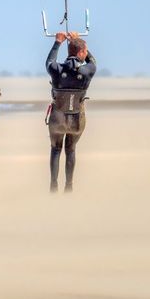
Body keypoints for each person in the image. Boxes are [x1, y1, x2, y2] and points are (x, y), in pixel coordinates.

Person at [46, 31, 96, 193]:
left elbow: (49, 61)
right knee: (71, 149)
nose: (86, 53)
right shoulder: (87, 71)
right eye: (85, 50)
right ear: (81, 52)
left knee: (56, 149)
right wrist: (75, 40)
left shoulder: (56, 69)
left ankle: (53, 186)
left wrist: (58, 42)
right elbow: (93, 61)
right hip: (76, 121)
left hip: (57, 120)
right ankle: (69, 187)